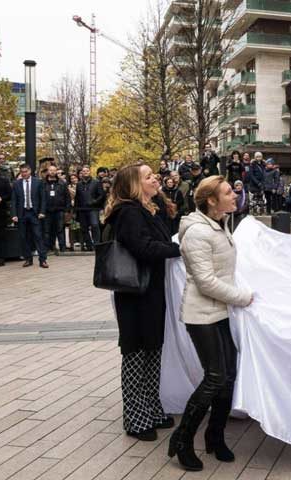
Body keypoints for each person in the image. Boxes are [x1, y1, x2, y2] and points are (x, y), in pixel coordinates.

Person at [169, 175, 254, 471]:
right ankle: (183, 439)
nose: (235, 195)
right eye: (228, 192)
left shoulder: (218, 224)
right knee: (215, 377)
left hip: (219, 313)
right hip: (201, 315)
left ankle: (214, 436)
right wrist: (242, 298)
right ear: (211, 201)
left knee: (228, 376)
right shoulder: (197, 233)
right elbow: (205, 281)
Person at [103, 164, 181, 441]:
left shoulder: (149, 208)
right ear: (134, 185)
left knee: (152, 349)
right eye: (148, 177)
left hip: (150, 290)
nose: (155, 178)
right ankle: (135, 418)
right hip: (135, 292)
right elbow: (143, 248)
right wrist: (177, 249)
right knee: (136, 352)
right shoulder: (129, 213)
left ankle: (151, 408)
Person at [11, 164, 49, 268]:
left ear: (30, 171)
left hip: (34, 213)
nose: (24, 174)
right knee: (23, 237)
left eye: (25, 171)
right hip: (22, 213)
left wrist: (42, 212)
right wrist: (14, 214)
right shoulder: (16, 184)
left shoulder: (38, 182)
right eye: (22, 172)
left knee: (38, 236)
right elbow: (14, 200)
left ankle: (43, 260)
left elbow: (43, 199)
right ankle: (28, 259)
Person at [75, 166, 104, 251]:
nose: (85, 172)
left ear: (90, 172)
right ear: (81, 173)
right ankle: (89, 245)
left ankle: (97, 244)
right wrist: (75, 210)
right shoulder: (79, 184)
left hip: (93, 209)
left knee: (95, 225)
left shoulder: (96, 182)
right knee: (83, 228)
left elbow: (101, 195)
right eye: (83, 171)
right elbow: (77, 197)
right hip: (82, 209)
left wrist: (94, 202)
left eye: (87, 171)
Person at [44, 165, 71, 254]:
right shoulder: (42, 183)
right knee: (47, 230)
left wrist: (67, 210)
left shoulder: (62, 183)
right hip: (47, 210)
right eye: (50, 170)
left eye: (54, 170)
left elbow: (67, 197)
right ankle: (48, 248)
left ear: (56, 171)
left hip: (59, 209)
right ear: (48, 171)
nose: (52, 172)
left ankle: (62, 247)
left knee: (60, 229)